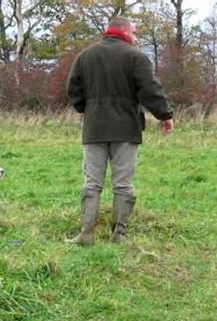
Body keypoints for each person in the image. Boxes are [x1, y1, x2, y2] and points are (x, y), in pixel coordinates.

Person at [65, 17, 174, 246]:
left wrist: (89, 109)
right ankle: (119, 235)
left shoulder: (86, 56)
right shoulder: (135, 56)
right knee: (123, 184)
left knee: (92, 183)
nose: (135, 37)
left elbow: (73, 89)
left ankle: (86, 234)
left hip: (94, 128)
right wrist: (164, 115)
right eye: (135, 32)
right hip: (126, 129)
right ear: (124, 31)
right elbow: (150, 89)